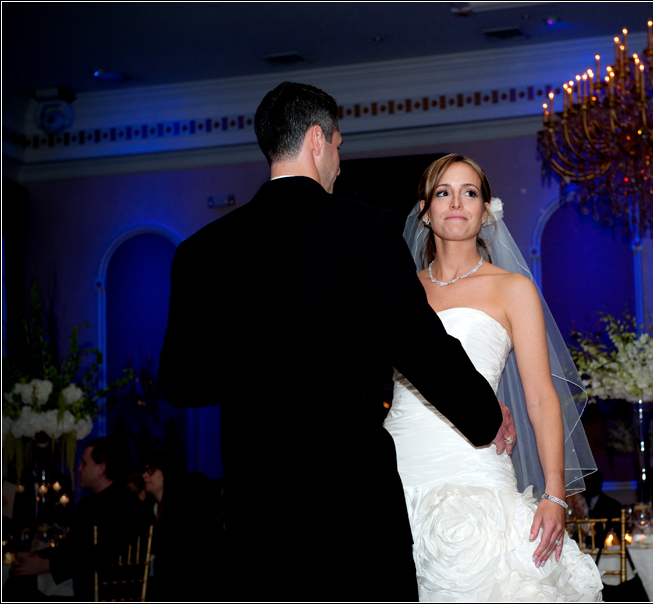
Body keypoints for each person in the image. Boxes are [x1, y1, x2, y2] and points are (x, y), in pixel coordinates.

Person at [158, 82, 510, 602]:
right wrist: (485, 415)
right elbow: (419, 342)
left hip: (257, 509)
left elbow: (179, 381)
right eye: (339, 146)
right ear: (317, 140)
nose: (340, 165)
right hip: (351, 503)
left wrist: (260, 363)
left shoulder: (201, 251)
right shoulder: (363, 230)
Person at [384, 154, 602, 601]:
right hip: (397, 464)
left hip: (476, 464)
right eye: (443, 192)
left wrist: (555, 494)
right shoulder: (397, 289)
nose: (456, 203)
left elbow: (541, 397)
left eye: (469, 193)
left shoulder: (512, 289)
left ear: (485, 212)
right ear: (424, 211)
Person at [11, 437, 146, 601]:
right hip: (105, 590)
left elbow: (96, 554)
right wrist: (37, 555)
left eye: (84, 463)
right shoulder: (116, 501)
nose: (79, 468)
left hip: (100, 593)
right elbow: (72, 545)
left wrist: (45, 565)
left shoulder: (109, 505)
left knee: (21, 587)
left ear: (101, 468)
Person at [140, 454, 222, 601]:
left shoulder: (185, 510)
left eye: (151, 470)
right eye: (144, 470)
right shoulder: (150, 510)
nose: (144, 475)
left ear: (167, 472)